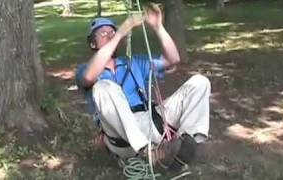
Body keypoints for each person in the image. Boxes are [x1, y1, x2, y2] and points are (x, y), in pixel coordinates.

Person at [76, 4, 211, 169]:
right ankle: (149, 153)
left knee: (199, 82)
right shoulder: (86, 68)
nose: (110, 36)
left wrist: (158, 27)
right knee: (102, 87)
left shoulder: (132, 62)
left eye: (112, 32)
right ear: (93, 44)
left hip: (151, 120)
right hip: (123, 138)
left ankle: (186, 146)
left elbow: (173, 59)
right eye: (103, 34)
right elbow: (89, 77)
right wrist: (119, 34)